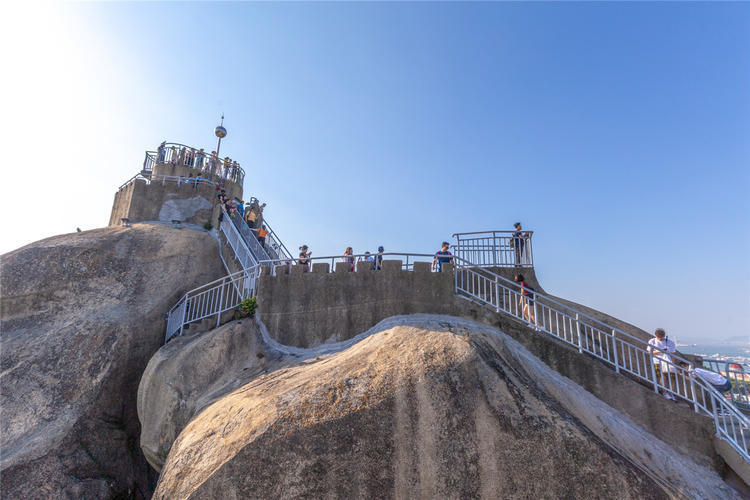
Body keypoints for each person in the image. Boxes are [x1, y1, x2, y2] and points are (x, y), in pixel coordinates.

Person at [647, 328, 678, 400]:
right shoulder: (652, 341)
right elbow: (649, 352)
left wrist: (673, 364)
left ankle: (672, 394)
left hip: (668, 362)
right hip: (657, 361)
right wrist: (660, 351)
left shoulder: (670, 342)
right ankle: (665, 393)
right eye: (659, 338)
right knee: (662, 377)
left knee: (672, 378)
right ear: (656, 336)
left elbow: (673, 354)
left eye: (662, 337)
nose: (660, 339)